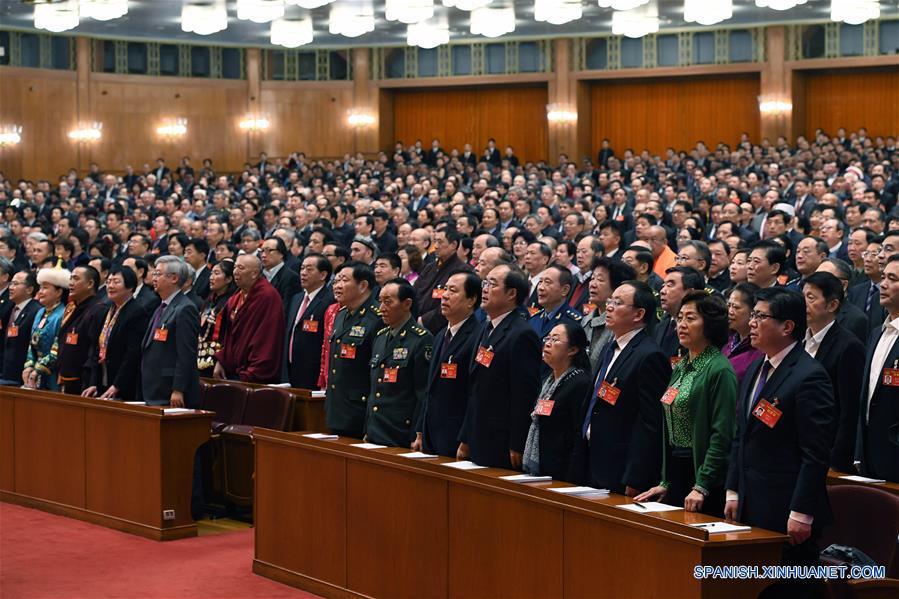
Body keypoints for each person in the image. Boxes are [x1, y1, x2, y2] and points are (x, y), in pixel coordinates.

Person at [725, 288, 836, 580]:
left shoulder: (809, 375)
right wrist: (733, 490)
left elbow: (815, 453)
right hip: (750, 501)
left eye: (760, 316)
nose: (751, 322)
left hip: (786, 509)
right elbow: (742, 434)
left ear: (787, 327)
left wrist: (801, 512)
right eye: (753, 315)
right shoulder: (755, 369)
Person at [636, 291, 736, 516]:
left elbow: (722, 434)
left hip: (702, 477)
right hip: (677, 470)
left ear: (710, 324)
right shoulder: (681, 366)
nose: (681, 324)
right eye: (680, 317)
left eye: (691, 318)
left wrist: (702, 485)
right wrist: (666, 481)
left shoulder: (719, 369)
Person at [579, 280, 670, 495]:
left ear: (638, 314)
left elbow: (651, 422)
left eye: (618, 303)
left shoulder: (649, 356)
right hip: (592, 458)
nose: (609, 307)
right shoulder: (610, 348)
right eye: (610, 300)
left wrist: (637, 475)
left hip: (621, 469)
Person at [458, 264, 541, 469]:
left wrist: (517, 443)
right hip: (478, 433)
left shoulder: (522, 334)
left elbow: (524, 394)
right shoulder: (485, 328)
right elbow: (475, 387)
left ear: (512, 293)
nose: (484, 289)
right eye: (484, 283)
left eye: (492, 284)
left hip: (501, 440)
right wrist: (466, 436)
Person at [800, 272, 864, 473]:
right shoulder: (798, 339)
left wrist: (836, 461)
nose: (803, 303)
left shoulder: (849, 347)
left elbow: (849, 411)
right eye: (803, 296)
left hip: (825, 451)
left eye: (811, 298)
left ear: (832, 305)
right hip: (797, 446)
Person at [415, 272, 481, 457]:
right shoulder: (439, 336)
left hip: (456, 436)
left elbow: (474, 393)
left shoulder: (477, 337)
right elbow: (430, 388)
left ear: (471, 300)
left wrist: (466, 438)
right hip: (431, 434)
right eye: (445, 289)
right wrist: (420, 430)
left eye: (453, 290)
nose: (444, 295)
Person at [364, 278, 433, 447]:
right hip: (376, 429)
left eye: (388, 302)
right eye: (380, 302)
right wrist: (368, 427)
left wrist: (418, 432)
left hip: (400, 431)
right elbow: (374, 387)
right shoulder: (380, 336)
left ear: (406, 304)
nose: (381, 309)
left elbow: (423, 393)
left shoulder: (421, 339)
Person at [522, 322, 592, 483]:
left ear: (573, 350)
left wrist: (572, 479)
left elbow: (578, 436)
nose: (547, 343)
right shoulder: (550, 380)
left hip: (563, 471)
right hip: (544, 465)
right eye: (547, 338)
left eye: (555, 340)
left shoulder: (580, 383)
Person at [325, 261, 383, 437]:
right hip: (337, 408)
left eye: (344, 280)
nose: (337, 285)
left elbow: (377, 371)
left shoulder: (377, 318)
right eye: (336, 281)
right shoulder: (341, 314)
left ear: (363, 285)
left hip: (359, 411)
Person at [856, 254, 899, 483]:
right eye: (883, 277)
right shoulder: (876, 333)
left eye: (892, 278)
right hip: (869, 455)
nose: (883, 284)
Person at [213, 254, 285, 383]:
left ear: (254, 273)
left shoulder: (267, 296)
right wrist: (221, 361)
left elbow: (268, 337)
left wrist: (253, 371)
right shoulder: (235, 298)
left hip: (255, 372)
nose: (235, 271)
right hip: (232, 370)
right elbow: (228, 336)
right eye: (235, 267)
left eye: (241, 268)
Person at [140, 256, 201, 408]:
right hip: (153, 388)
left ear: (174, 278)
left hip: (169, 391)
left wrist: (178, 389)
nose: (154, 278)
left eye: (158, 274)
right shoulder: (161, 307)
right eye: (154, 274)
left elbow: (186, 353)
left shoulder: (185, 308)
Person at [81, 267, 149, 402]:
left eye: (116, 282)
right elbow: (97, 347)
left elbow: (133, 354)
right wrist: (94, 382)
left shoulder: (137, 312)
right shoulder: (106, 310)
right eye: (108, 282)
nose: (110, 286)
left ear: (130, 287)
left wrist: (117, 385)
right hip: (103, 377)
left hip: (125, 383)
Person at [283, 253, 334, 390]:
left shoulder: (330, 301)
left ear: (323, 275)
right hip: (291, 369)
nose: (303, 273)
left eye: (309, 269)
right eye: (302, 268)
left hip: (313, 373)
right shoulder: (296, 298)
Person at [55, 265, 106, 395]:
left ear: (90, 283)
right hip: (65, 375)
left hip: (83, 380)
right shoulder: (72, 307)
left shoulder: (98, 309)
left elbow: (94, 347)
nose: (71, 283)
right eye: (71, 278)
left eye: (76, 279)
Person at [414, 228, 472, 335]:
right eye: (435, 241)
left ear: (453, 245)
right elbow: (415, 292)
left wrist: (424, 320)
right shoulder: (429, 268)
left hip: (441, 328)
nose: (435, 246)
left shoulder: (462, 271)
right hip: (416, 323)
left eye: (440, 242)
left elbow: (455, 303)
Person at [582, 257, 635, 372]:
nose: (592, 284)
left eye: (600, 280)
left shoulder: (621, 323)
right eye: (592, 278)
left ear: (617, 287)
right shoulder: (586, 320)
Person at [23, 268, 69, 391]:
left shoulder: (63, 314)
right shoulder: (40, 312)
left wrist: (39, 368)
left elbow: (57, 347)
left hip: (52, 374)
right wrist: (29, 365)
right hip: (35, 373)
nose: (40, 292)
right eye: (40, 288)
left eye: (45, 288)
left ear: (59, 292)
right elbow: (32, 342)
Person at [654, 266, 705, 362]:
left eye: (670, 285)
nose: (662, 291)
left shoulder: (701, 328)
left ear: (690, 293)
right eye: (663, 285)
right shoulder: (660, 326)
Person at [0, 271, 41, 386]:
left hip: (22, 376)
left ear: (29, 289)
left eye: (16, 284)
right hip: (6, 372)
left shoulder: (36, 310)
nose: (11, 288)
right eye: (11, 284)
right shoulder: (10, 308)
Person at [197, 259, 236, 378]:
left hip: (219, 360)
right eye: (211, 273)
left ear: (229, 279)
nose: (211, 277)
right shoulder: (209, 301)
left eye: (217, 273)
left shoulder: (231, 302)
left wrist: (221, 360)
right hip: (200, 356)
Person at [723, 282, 763, 385]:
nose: (730, 311)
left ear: (753, 311)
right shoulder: (727, 338)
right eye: (729, 306)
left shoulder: (760, 349)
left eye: (736, 307)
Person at [261, 236, 300, 308]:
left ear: (281, 254)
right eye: (262, 251)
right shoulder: (259, 275)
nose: (263, 255)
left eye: (268, 250)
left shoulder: (291, 278)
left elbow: (286, 308)